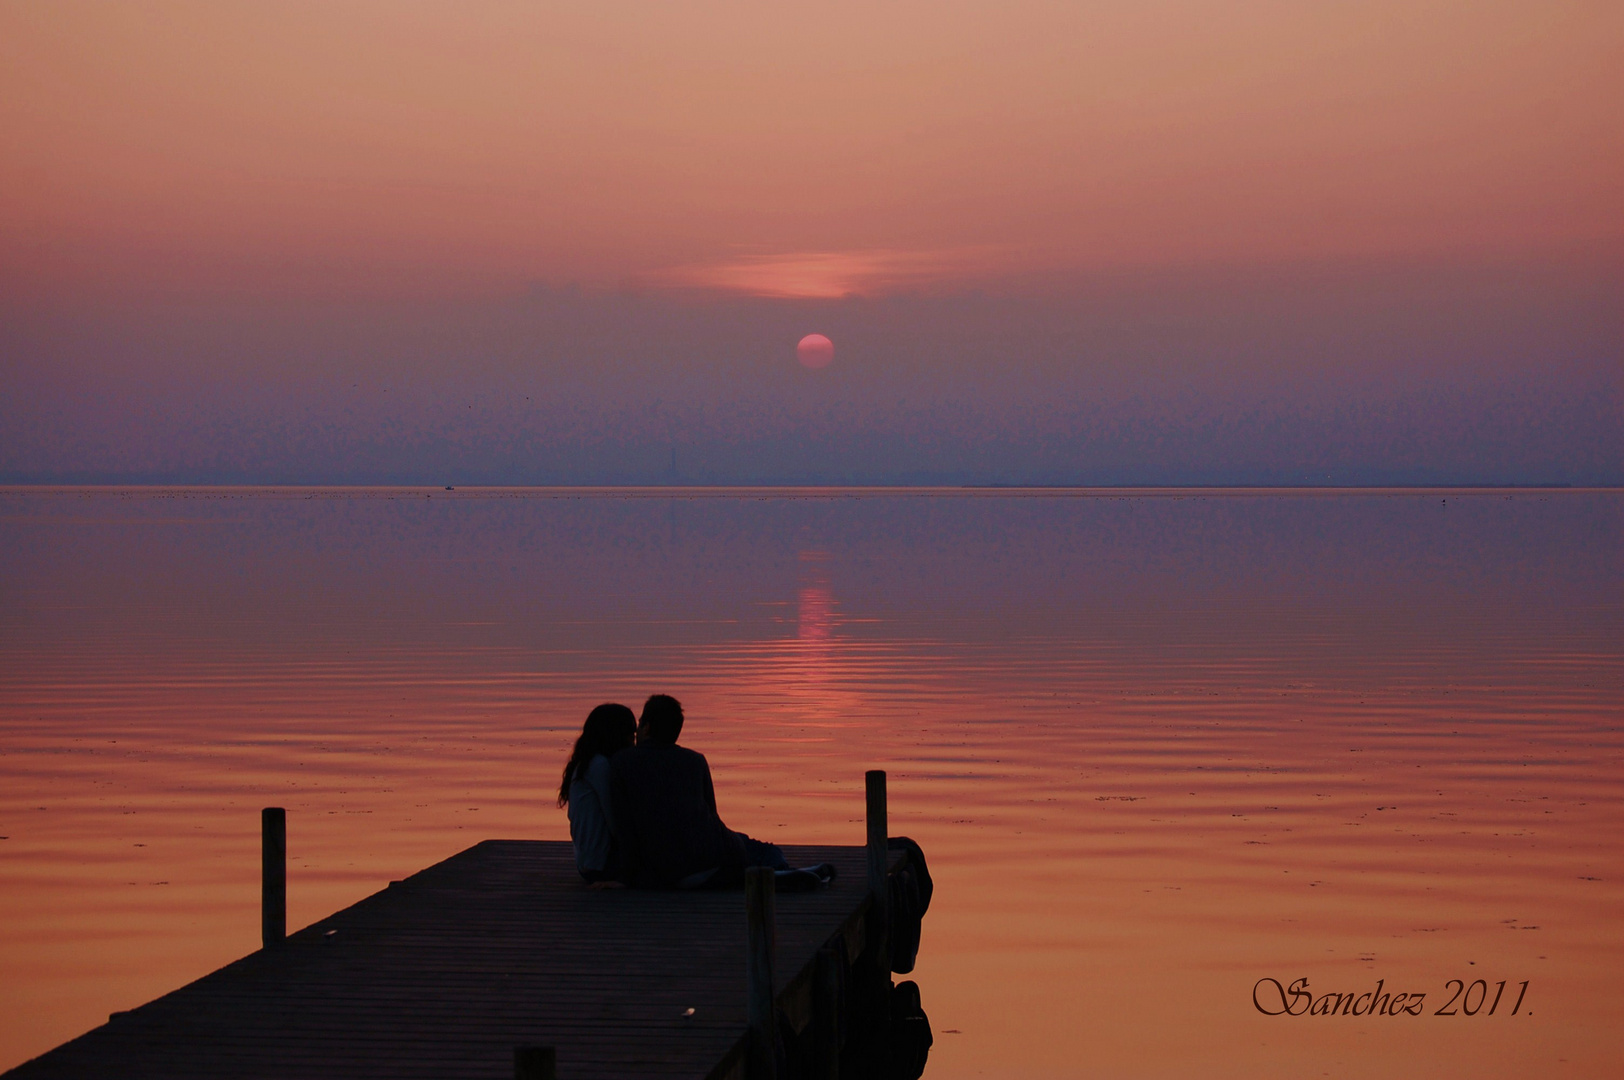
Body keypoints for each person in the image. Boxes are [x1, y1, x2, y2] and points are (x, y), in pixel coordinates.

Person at [609, 694, 833, 890]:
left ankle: (780, 876)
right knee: (766, 851)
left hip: (664, 868)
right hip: (709, 858)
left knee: (743, 849)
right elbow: (711, 814)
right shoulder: (695, 761)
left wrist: (626, 878)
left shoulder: (620, 763)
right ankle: (780, 875)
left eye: (639, 724)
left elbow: (624, 826)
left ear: (647, 727)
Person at [558, 702, 637, 884]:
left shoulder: (586, 764)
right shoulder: (600, 767)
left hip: (589, 863)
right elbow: (615, 822)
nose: (633, 742)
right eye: (630, 736)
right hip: (601, 866)